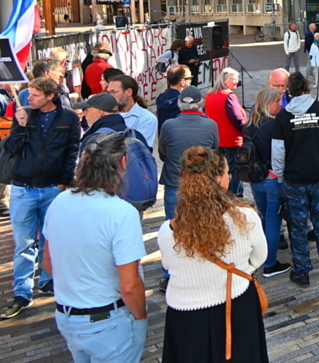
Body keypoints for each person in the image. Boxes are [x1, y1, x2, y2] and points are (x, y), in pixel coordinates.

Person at [42, 131, 148, 361]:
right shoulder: (122, 213)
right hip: (108, 320)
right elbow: (129, 285)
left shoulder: (59, 202)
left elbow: (48, 263)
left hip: (67, 315)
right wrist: (141, 318)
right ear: (122, 162)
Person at [159, 147, 269, 363]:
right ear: (219, 178)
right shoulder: (245, 217)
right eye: (227, 173)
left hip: (185, 316)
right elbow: (259, 258)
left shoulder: (167, 231)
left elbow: (170, 266)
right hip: (235, 303)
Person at [1, 77, 81, 319]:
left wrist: (63, 182)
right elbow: (11, 149)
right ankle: (22, 293)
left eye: (35, 95)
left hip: (52, 188)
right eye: (29, 94)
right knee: (24, 243)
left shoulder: (68, 118)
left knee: (51, 238)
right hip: (23, 187)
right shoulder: (24, 114)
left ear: (49, 96)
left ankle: (48, 280)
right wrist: (21, 126)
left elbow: (72, 152)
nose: (29, 98)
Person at [270, 72, 319, 286]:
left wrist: (281, 176)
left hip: (294, 180)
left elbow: (278, 152)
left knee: (297, 227)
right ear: (307, 88)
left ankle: (302, 271)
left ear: (289, 91)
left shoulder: (283, 117)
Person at [158, 86, 221, 283]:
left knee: (174, 230)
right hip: (203, 184)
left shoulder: (168, 125)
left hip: (175, 183)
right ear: (200, 103)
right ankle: (202, 269)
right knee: (204, 226)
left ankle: (171, 275)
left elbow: (162, 153)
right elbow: (215, 152)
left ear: (180, 104)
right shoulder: (210, 125)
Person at [244, 88, 292, 278]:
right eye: (277, 101)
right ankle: (270, 263)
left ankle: (260, 258)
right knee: (273, 221)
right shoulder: (274, 125)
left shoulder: (248, 125)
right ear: (267, 103)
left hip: (255, 179)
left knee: (264, 220)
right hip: (273, 179)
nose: (280, 104)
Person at [205, 67, 247, 197]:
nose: (237, 82)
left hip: (217, 139)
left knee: (220, 170)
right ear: (224, 80)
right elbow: (237, 118)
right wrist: (247, 130)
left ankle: (219, 194)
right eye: (234, 79)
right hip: (232, 140)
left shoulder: (209, 95)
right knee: (235, 171)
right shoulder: (228, 96)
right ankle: (234, 197)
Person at [108, 75, 157, 150]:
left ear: (128, 92)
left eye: (114, 92)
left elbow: (136, 148)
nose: (110, 96)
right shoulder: (107, 114)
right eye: (109, 93)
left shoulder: (147, 118)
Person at [157, 65, 192, 130]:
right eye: (189, 78)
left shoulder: (161, 98)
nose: (190, 81)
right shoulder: (184, 102)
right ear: (183, 82)